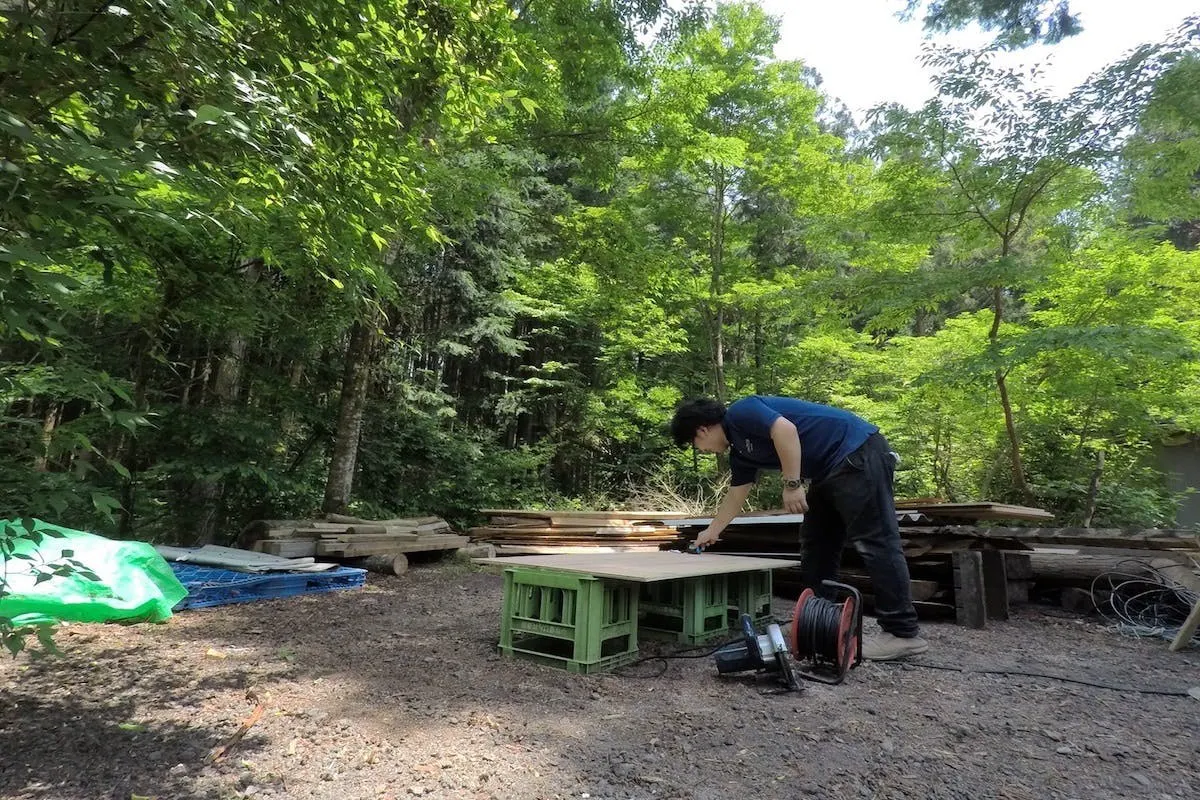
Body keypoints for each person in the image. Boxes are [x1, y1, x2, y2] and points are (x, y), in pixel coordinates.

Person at [669, 395, 928, 661]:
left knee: (875, 543)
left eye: (695, 444)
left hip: (857, 451)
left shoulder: (741, 412)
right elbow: (737, 494)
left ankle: (902, 633)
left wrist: (792, 485)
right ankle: (816, 621)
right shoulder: (740, 453)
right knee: (817, 544)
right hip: (828, 470)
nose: (701, 450)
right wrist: (713, 530)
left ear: (702, 430)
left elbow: (785, 430)